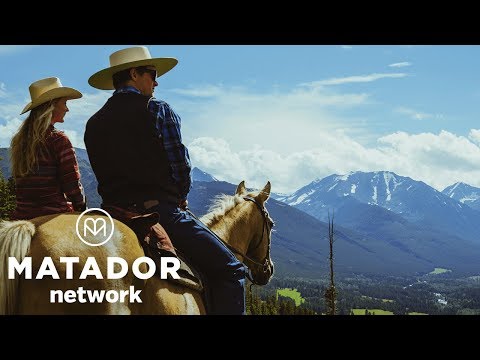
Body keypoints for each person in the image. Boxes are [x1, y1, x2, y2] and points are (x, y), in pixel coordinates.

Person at [84, 46, 246, 315]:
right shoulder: (157, 110)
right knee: (232, 270)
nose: (156, 81)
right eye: (152, 74)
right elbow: (180, 166)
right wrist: (180, 195)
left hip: (110, 214)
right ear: (135, 74)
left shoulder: (93, 122)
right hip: (158, 211)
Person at [10, 77, 86, 220]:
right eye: (64, 103)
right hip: (53, 213)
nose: (67, 109)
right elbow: (71, 184)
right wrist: (81, 206)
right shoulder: (59, 140)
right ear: (52, 105)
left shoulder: (19, 141)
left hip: (22, 216)